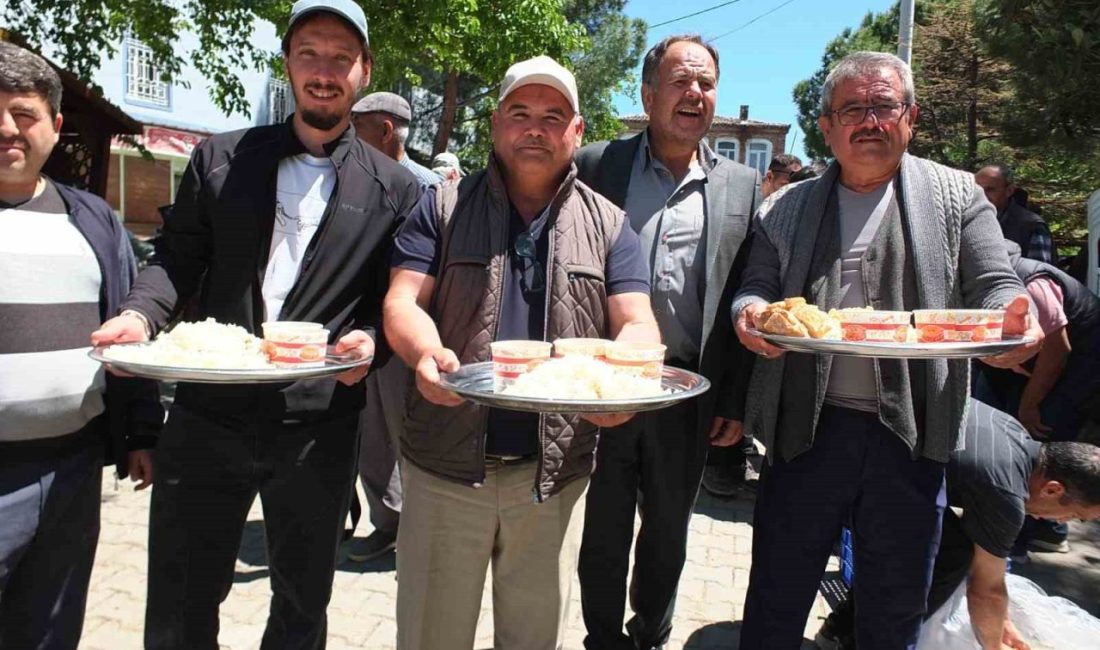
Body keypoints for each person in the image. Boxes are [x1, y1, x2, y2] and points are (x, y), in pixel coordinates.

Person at [91, 1, 422, 647]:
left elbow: (392, 297)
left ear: (364, 70)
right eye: (309, 54)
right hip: (207, 415)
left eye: (340, 58)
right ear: (289, 65)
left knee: (302, 601)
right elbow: (177, 258)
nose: (324, 72)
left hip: (318, 425)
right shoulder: (222, 158)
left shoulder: (395, 188)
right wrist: (137, 313)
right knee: (181, 599)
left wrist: (374, 343)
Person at [732, 51, 1042, 649]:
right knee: (776, 594)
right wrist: (748, 314)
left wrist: (1010, 317)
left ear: (911, 117)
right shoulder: (787, 207)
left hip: (911, 438)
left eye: (884, 106)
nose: (869, 121)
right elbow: (758, 286)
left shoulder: (958, 197)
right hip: (806, 434)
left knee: (893, 607)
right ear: (826, 126)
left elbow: (995, 281)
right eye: (852, 109)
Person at [383, 55, 659, 650]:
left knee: (533, 640)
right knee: (431, 636)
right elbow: (402, 302)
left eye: (554, 116)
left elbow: (638, 322)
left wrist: (626, 381)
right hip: (444, 468)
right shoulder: (441, 207)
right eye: (521, 113)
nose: (536, 128)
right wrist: (426, 353)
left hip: (551, 480)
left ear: (578, 132)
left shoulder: (610, 225)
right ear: (494, 124)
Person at [574, 34, 760, 650]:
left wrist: (732, 399)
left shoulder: (739, 185)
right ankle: (601, 638)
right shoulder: (600, 165)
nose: (695, 94)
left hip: (688, 390)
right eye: (681, 81)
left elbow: (741, 289)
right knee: (602, 527)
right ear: (649, 94)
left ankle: (650, 634)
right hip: (606, 383)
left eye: (706, 83)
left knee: (668, 532)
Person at [0, 41, 162, 650]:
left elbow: (130, 329)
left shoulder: (91, 219)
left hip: (71, 471)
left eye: (23, 114)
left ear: (54, 125)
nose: (7, 130)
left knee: (50, 629)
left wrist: (143, 431)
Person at [815, 400, 1100, 650]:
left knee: (948, 546)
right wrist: (993, 646)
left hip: (853, 448)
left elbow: (988, 579)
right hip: (839, 472)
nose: (1063, 523)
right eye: (1074, 516)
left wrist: (1002, 623)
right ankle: (854, 639)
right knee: (945, 554)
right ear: (1052, 490)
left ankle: (840, 629)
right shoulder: (1006, 493)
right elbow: (986, 588)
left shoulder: (1013, 434)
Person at [973, 239, 1100, 556]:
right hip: (1030, 367)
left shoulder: (1032, 282)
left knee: (1041, 444)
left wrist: (1029, 405)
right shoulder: (981, 284)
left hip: (1079, 370)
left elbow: (1058, 351)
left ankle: (1027, 536)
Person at [351, 91, 441, 189]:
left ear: (386, 131)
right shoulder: (354, 173)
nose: (349, 133)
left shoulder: (426, 188)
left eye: (356, 125)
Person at [975, 164, 1054, 263]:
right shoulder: (968, 220)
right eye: (978, 189)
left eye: (990, 190)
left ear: (1009, 191)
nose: (982, 195)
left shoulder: (1031, 225)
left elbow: (1039, 272)